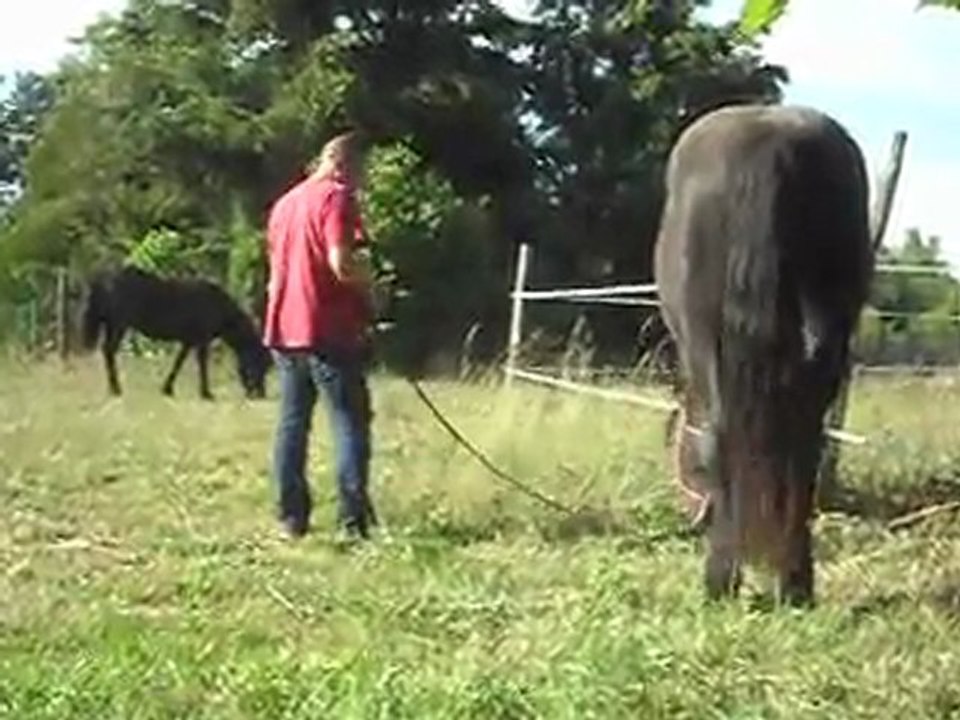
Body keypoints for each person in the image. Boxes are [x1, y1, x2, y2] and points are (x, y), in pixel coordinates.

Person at [263, 131, 377, 540]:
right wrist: (372, 287)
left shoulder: (285, 204)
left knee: (292, 423)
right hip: (327, 329)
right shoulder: (336, 198)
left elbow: (275, 274)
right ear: (345, 164)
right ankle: (353, 520)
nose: (360, 184)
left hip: (284, 327)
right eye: (361, 173)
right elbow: (341, 264)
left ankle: (291, 518)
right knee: (350, 422)